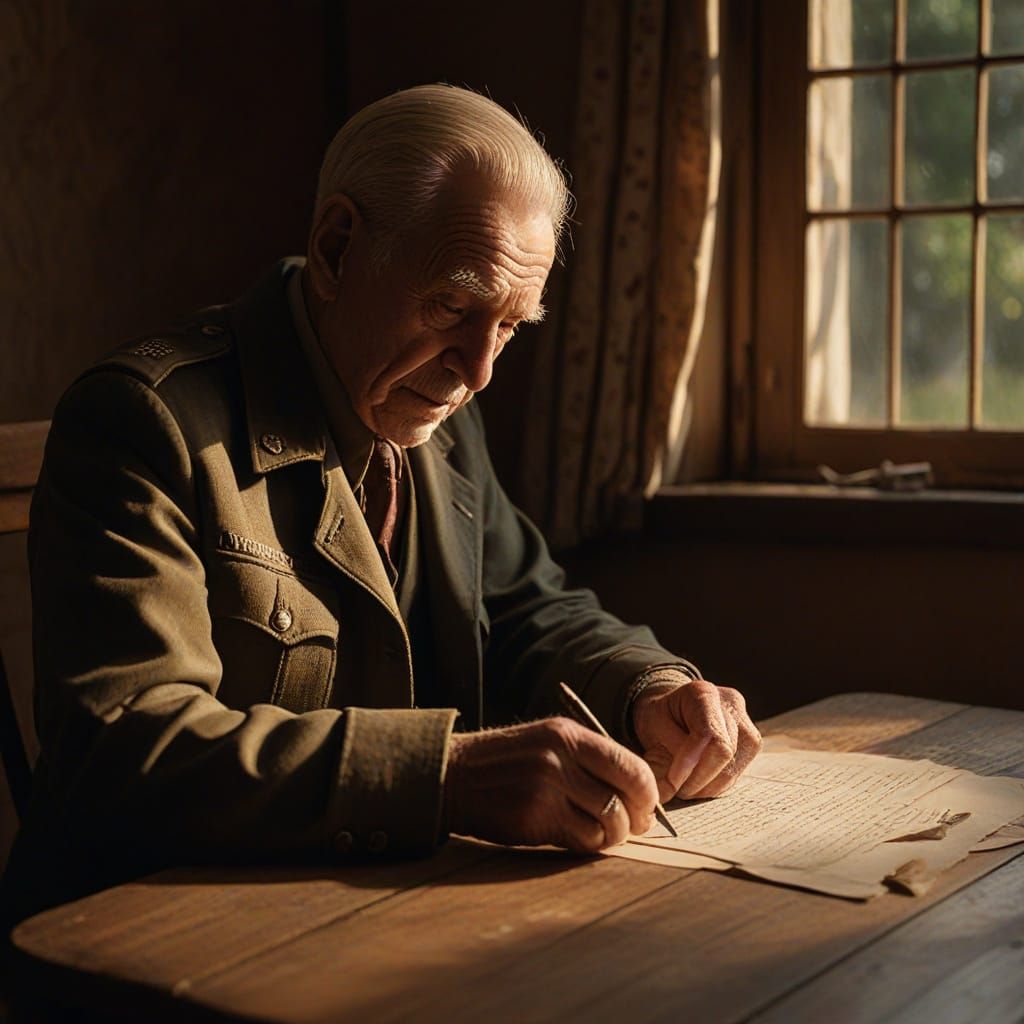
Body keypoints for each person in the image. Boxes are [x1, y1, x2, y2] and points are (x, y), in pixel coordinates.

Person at [2, 85, 759, 923]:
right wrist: (443, 777)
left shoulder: (425, 407)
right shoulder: (145, 422)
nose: (479, 373)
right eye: (453, 306)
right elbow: (125, 747)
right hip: (139, 940)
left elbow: (524, 609)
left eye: (510, 325)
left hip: (363, 912)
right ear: (335, 248)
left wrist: (648, 690)